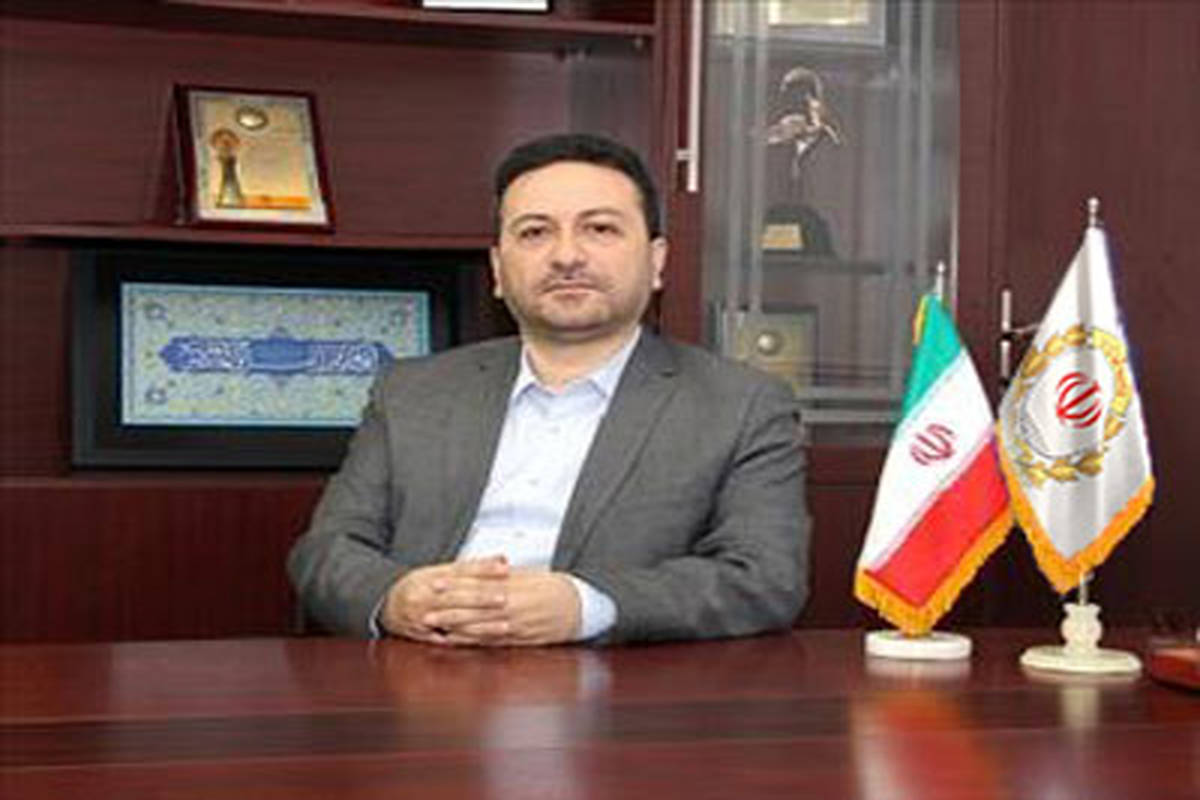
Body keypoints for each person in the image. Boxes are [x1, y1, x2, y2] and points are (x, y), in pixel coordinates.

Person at [287, 133, 809, 645]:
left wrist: (587, 607)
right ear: (498, 269)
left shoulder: (741, 405)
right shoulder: (411, 392)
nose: (566, 256)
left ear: (656, 262)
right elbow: (326, 551)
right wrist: (395, 599)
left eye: (600, 229)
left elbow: (764, 578)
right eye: (535, 232)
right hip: (420, 673)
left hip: (615, 686)